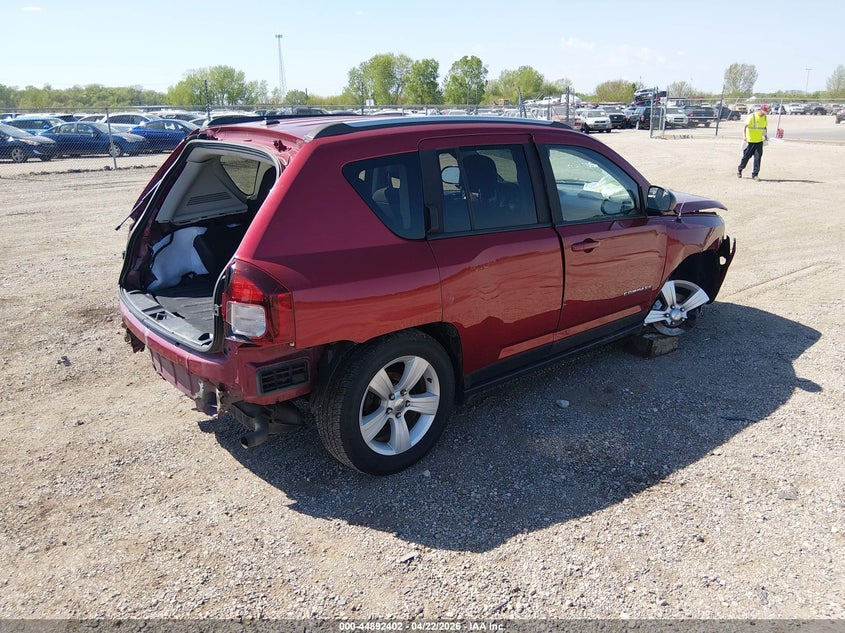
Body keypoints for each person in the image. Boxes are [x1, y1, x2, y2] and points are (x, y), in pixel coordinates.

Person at [737, 103, 770, 180]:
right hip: (750, 141)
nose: (766, 113)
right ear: (761, 110)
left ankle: (755, 175)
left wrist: (765, 135)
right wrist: (744, 136)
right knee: (746, 158)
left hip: (759, 141)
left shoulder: (765, 118)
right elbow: (745, 127)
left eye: (767, 111)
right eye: (766, 111)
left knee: (757, 159)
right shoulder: (752, 116)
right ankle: (740, 169)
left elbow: (764, 127)